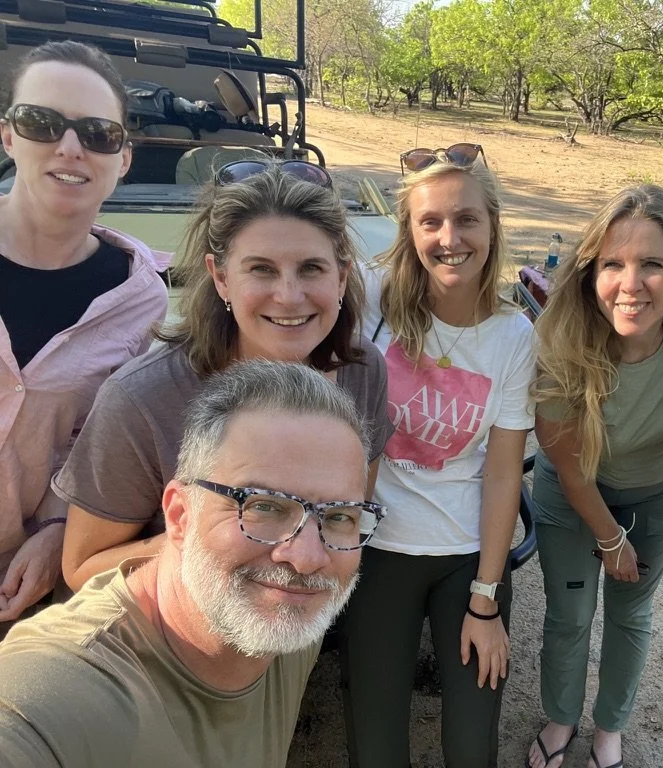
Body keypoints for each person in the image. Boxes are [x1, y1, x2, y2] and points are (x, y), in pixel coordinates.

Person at [0, 360, 382, 767]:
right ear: (180, 516)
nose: (306, 559)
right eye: (264, 506)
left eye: (339, 515)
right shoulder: (50, 699)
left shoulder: (288, 620)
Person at [55, 160, 393, 591]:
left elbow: (349, 517)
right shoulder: (143, 400)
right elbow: (83, 568)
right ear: (221, 279)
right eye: (261, 269)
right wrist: (218, 537)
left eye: (311, 268)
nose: (289, 296)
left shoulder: (361, 372)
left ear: (342, 278)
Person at [527, 185, 663, 768]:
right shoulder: (561, 334)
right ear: (590, 273)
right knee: (569, 612)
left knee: (632, 612)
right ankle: (560, 717)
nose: (631, 284)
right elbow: (569, 465)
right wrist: (609, 540)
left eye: (652, 263)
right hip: (572, 490)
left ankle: (610, 728)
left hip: (660, 487)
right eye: (612, 265)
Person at [338, 146, 535, 768]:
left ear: (492, 226)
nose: (450, 238)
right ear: (410, 232)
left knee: (473, 742)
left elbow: (504, 472)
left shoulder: (513, 336)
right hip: (379, 548)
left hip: (464, 558)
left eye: (467, 219)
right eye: (431, 222)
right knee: (375, 738)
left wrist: (487, 597)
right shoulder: (373, 301)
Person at [0, 41, 169, 631]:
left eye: (97, 134)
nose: (69, 147)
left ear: (123, 158)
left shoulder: (139, 298)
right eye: (42, 123)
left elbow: (99, 438)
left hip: (22, 579)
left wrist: (56, 532)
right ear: (8, 137)